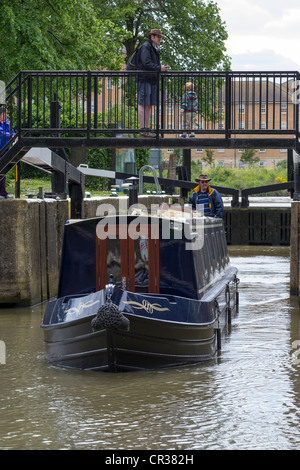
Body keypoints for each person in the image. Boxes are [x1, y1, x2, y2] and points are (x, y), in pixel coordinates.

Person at [136, 28, 169, 137]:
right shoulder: (146, 47)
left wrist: (160, 68)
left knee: (148, 104)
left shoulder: (154, 48)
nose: (160, 39)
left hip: (150, 79)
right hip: (144, 78)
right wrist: (159, 68)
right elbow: (146, 63)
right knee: (143, 103)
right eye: (158, 36)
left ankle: (146, 129)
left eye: (160, 37)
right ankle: (143, 129)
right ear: (152, 37)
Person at [0, 105, 15, 199]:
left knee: (3, 172)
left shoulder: (6, 123)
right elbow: (1, 134)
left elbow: (12, 131)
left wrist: (14, 135)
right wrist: (12, 136)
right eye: (4, 114)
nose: (5, 116)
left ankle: (3, 193)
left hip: (4, 149)